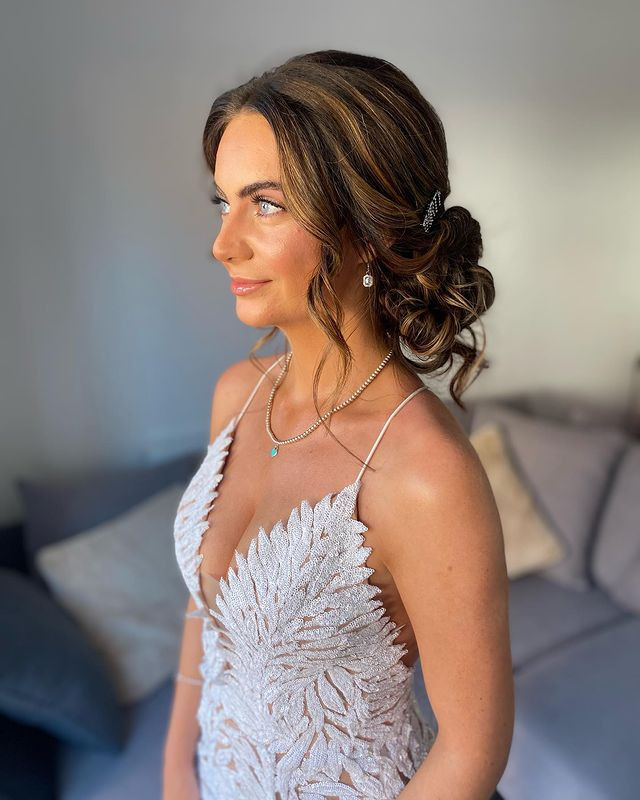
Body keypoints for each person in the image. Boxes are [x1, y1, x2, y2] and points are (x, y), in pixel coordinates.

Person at [163, 49, 514, 800]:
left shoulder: (425, 472)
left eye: (266, 204)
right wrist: (174, 770)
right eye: (223, 202)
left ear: (364, 226)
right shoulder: (237, 393)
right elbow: (207, 605)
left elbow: (472, 753)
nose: (223, 244)